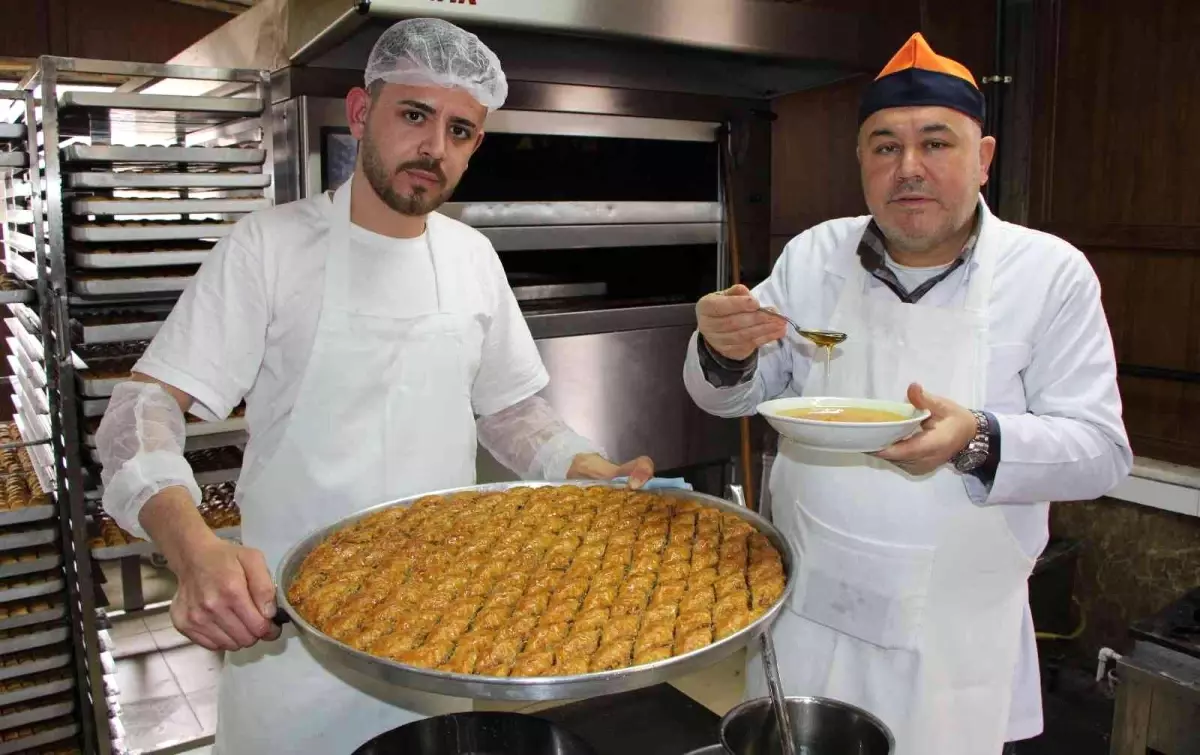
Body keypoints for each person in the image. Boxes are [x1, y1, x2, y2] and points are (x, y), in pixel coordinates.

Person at [94, 17, 655, 754]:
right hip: (291, 642)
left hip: (441, 634)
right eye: (415, 116)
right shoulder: (270, 247)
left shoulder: (473, 258)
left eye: (461, 131)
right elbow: (143, 408)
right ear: (363, 114)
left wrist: (585, 467)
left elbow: (511, 409)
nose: (434, 148)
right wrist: (194, 547)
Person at [683, 32, 1130, 755]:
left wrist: (977, 437)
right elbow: (739, 395)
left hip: (952, 632)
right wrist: (722, 348)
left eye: (936, 143)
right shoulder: (813, 255)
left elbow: (1102, 451)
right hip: (810, 608)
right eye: (885, 146)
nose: (909, 168)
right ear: (860, 161)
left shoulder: (1050, 274)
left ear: (983, 159)